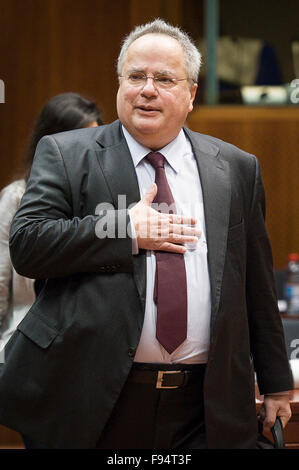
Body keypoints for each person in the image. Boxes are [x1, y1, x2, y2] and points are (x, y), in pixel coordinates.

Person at [0, 20, 293, 449]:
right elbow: (28, 245)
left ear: (191, 94)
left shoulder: (234, 167)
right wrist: (124, 229)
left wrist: (276, 383)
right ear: (120, 84)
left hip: (204, 405)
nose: (147, 89)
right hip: (93, 399)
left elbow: (257, 284)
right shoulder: (67, 153)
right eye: (135, 77)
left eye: (164, 79)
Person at [0, 92, 102, 352]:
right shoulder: (17, 197)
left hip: (88, 346)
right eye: (79, 145)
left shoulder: (105, 201)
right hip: (25, 341)